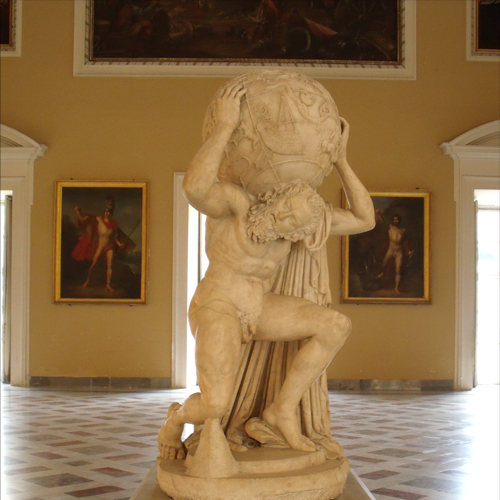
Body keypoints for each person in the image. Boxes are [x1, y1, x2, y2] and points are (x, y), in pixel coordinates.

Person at [157, 82, 375, 460]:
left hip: (259, 307)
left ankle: (281, 409)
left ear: (300, 232)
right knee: (215, 404)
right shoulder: (236, 204)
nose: (283, 218)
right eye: (285, 208)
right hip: (219, 305)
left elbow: (364, 219)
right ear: (277, 197)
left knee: (336, 326)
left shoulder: (298, 227)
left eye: (292, 222)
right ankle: (174, 420)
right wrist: (225, 126)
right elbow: (194, 189)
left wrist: (340, 160)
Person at [73, 197, 123, 292]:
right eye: (105, 211)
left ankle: (108, 285)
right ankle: (88, 281)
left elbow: (114, 237)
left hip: (110, 246)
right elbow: (84, 220)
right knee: (94, 263)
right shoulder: (98, 220)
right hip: (100, 246)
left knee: (110, 265)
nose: (106, 213)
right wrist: (78, 212)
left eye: (108, 212)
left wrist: (119, 244)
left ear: (111, 214)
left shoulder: (114, 224)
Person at [377, 211, 413, 293]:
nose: (396, 221)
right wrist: (378, 214)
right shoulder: (390, 227)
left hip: (399, 251)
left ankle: (396, 288)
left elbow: (406, 242)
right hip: (391, 249)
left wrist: (409, 251)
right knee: (384, 264)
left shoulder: (403, 230)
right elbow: (383, 222)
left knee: (398, 269)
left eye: (397, 219)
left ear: (399, 220)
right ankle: (381, 273)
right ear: (393, 220)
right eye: (394, 219)